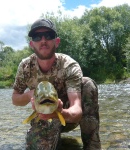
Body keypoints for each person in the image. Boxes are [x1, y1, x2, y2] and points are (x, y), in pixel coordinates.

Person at [12, 18, 101, 150]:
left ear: (57, 41)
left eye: (48, 35)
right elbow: (15, 99)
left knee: (87, 84)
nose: (43, 40)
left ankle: (92, 147)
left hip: (67, 116)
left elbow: (76, 110)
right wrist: (30, 94)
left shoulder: (69, 65)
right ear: (32, 44)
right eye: (37, 37)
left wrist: (60, 112)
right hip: (42, 118)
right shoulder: (25, 67)